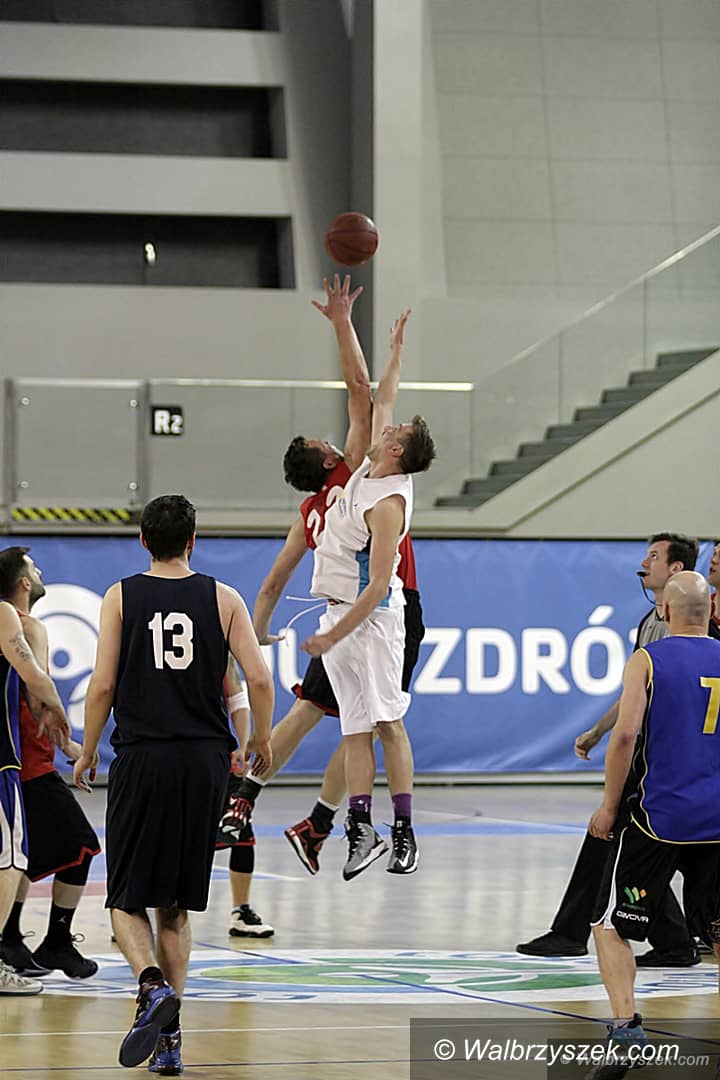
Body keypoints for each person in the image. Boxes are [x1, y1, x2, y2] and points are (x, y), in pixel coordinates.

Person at [219, 274, 424, 877]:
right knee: (361, 722)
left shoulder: (315, 513)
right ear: (332, 456)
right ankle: (331, 822)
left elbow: (271, 584)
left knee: (335, 716)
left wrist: (255, 637)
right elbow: (364, 389)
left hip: (355, 609)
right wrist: (343, 324)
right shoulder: (356, 472)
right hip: (366, 609)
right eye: (328, 440)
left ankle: (274, 807)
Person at [73, 494, 274, 1074]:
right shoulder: (224, 598)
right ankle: (169, 1041)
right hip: (204, 763)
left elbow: (102, 685)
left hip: (144, 757)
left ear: (143, 541)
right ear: (193, 541)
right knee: (177, 906)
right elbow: (259, 679)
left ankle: (151, 984)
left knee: (124, 897)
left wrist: (87, 748)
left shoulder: (121, 596)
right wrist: (261, 739)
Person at [517, 532, 700, 965]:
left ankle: (591, 934)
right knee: (623, 839)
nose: (644, 563)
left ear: (676, 569)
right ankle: (667, 940)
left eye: (653, 556)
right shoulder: (651, 621)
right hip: (658, 755)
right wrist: (600, 729)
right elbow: (637, 690)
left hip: (666, 757)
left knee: (622, 836)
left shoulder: (690, 633)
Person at [301, 309, 435, 881]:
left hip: (374, 620)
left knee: (387, 724)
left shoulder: (388, 503)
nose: (387, 425)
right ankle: (360, 828)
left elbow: (380, 585)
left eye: (394, 431)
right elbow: (384, 393)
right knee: (353, 728)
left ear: (398, 451)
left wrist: (333, 633)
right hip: (340, 616)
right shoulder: (367, 472)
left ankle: (404, 830)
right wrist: (396, 349)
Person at [586, 572, 720, 1075]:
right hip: (716, 818)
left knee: (608, 924)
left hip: (658, 817)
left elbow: (625, 736)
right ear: (710, 610)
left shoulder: (648, 659)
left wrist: (609, 805)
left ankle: (627, 1031)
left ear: (664, 611)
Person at [0, 547, 100, 981]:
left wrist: (69, 746)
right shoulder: (26, 625)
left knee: (23, 855)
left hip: (23, 756)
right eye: (34, 569)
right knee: (80, 846)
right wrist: (66, 732)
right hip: (22, 759)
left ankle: (13, 937)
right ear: (24, 583)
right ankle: (52, 940)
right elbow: (37, 688)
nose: (40, 572)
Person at [0, 565, 69, 995]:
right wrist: (59, 713)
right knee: (10, 861)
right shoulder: (7, 613)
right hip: (1, 756)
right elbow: (34, 677)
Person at [215, 658, 273, 938]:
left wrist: (242, 744)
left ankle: (241, 910)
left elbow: (237, 694)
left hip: (216, 751)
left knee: (239, 828)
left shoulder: (220, 642)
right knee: (166, 833)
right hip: (179, 750)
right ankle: (138, 906)